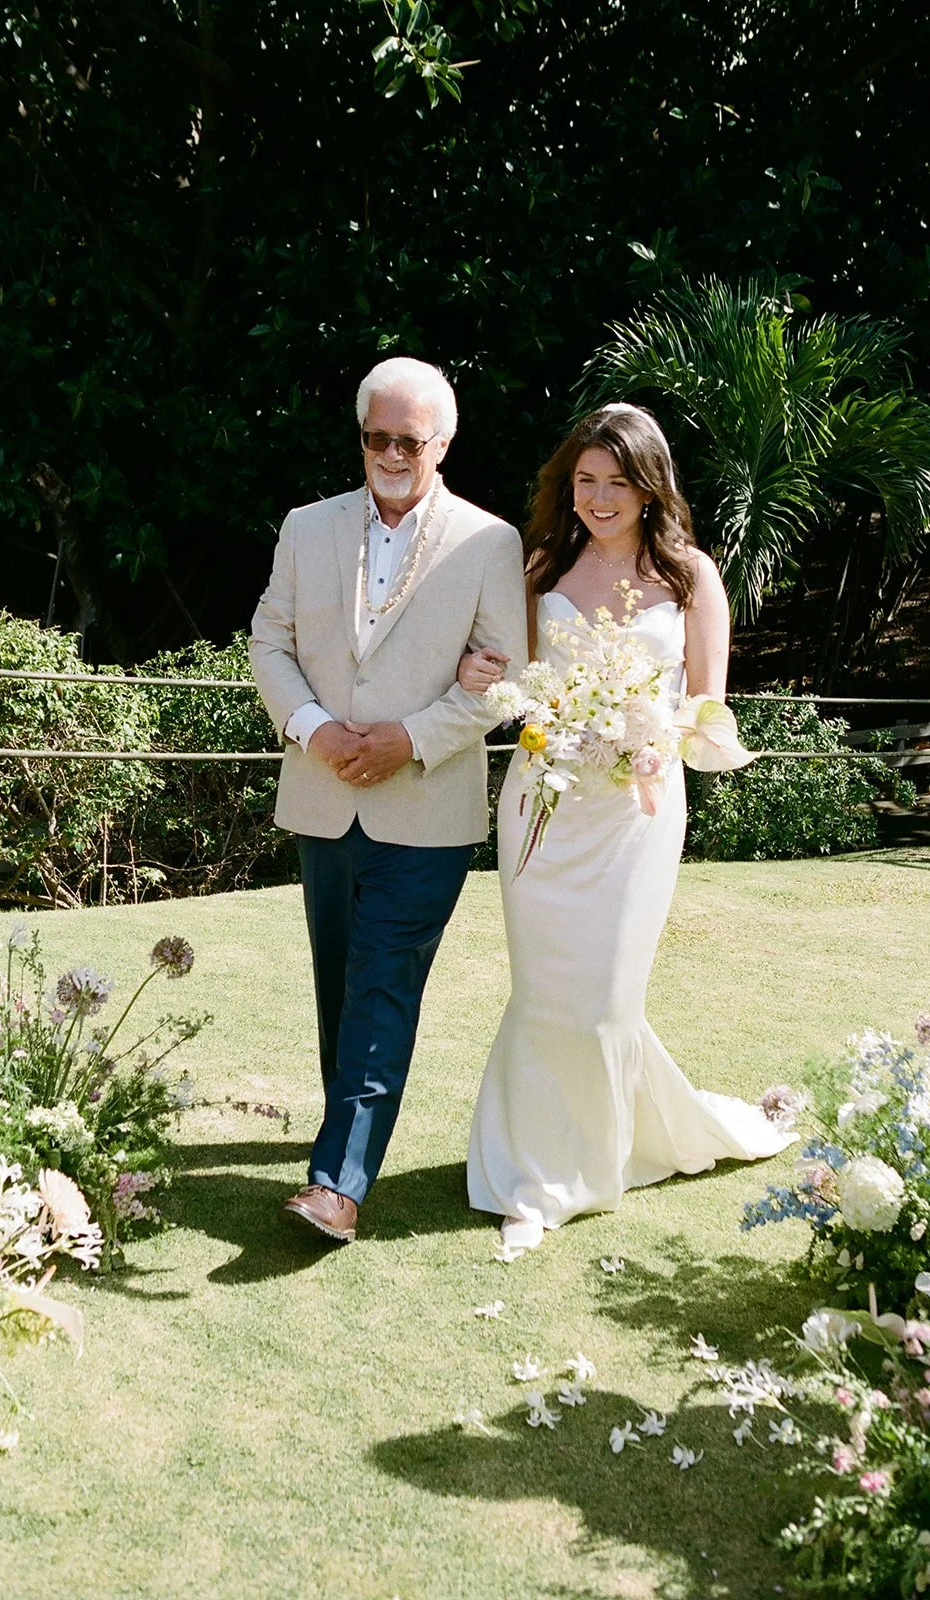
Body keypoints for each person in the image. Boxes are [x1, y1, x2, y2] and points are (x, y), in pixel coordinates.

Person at [458, 403, 794, 1257]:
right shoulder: (537, 569)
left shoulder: (689, 578)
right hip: (544, 802)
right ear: (565, 487)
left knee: (606, 996)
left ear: (651, 488)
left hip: (637, 810)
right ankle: (535, 1179)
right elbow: (509, 678)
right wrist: (479, 673)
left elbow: (708, 708)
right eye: (584, 481)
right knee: (545, 992)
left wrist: (655, 734)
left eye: (616, 482)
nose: (599, 498)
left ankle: (599, 1155)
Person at [249, 357, 527, 1245]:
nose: (392, 454)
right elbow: (268, 641)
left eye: (411, 440)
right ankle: (346, 1132)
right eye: (378, 437)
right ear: (361, 437)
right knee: (341, 983)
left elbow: (505, 680)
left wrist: (409, 738)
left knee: (382, 984)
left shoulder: (490, 542)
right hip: (322, 794)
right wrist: (312, 727)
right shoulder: (305, 526)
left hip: (426, 804)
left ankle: (337, 1184)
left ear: (442, 443)